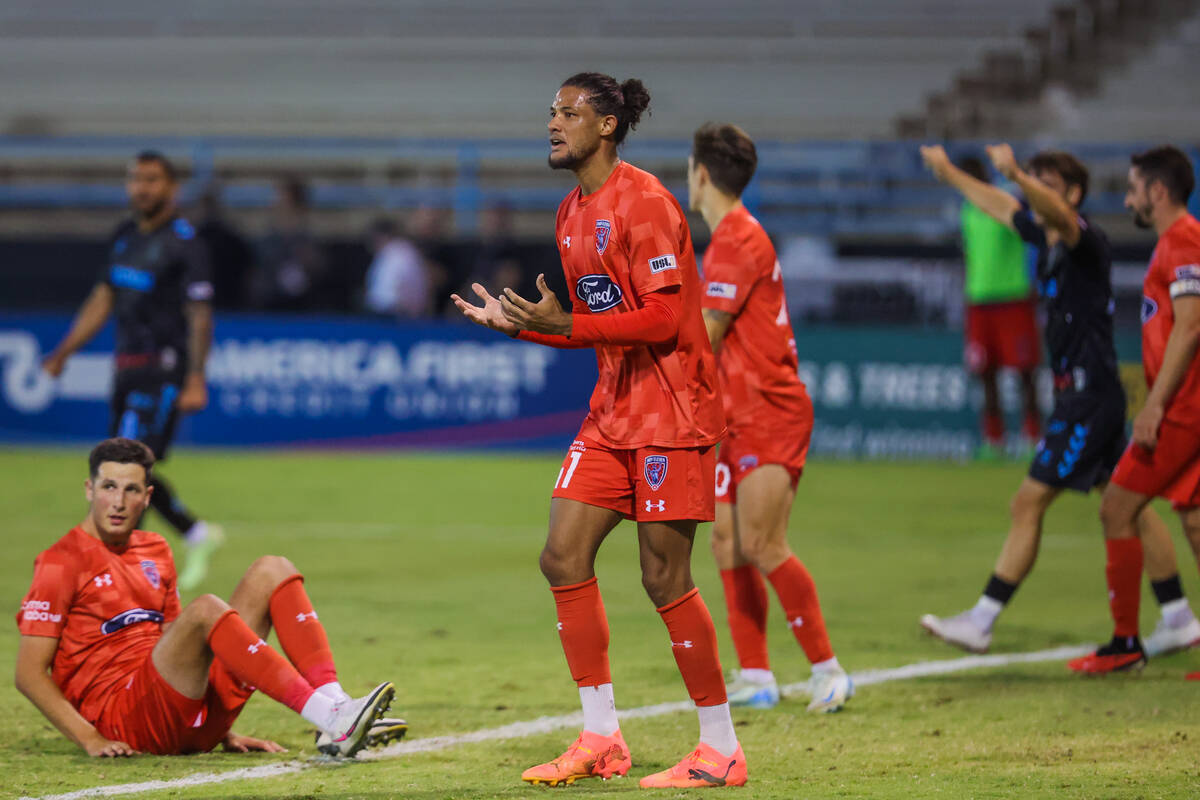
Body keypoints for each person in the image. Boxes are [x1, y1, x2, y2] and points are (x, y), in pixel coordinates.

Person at [452, 72, 746, 789]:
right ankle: (602, 737)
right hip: (614, 411)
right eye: (550, 112)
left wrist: (566, 324)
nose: (553, 123)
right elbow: (598, 331)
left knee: (662, 574)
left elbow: (664, 318)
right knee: (562, 555)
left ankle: (721, 747)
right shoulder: (570, 214)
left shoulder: (645, 202)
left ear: (607, 125)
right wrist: (525, 327)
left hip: (673, 409)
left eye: (569, 113)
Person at [919, 144, 1200, 657]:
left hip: (1087, 401)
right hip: (1090, 396)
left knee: (1028, 502)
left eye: (1046, 184)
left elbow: (1053, 212)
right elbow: (1003, 207)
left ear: (1070, 194)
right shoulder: (1047, 241)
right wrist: (951, 173)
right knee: (1129, 506)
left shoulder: (1082, 239)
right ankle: (1178, 615)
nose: (1030, 193)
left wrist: (1018, 175)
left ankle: (982, 619)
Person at [15, 438, 399, 757]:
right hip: (124, 719)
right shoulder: (59, 564)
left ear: (148, 497)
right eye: (108, 487)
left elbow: (175, 646)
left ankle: (336, 707)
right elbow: (29, 675)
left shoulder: (155, 548)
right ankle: (329, 717)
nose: (118, 501)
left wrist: (220, 732)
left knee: (273, 568)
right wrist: (89, 738)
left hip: (176, 705)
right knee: (204, 610)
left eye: (131, 489)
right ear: (89, 489)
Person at [687, 122, 851, 713]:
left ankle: (827, 669)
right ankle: (756, 675)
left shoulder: (735, 238)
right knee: (728, 544)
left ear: (701, 174)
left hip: (769, 410)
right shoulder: (731, 237)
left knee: (762, 542)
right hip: (733, 411)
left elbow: (708, 333)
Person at [42, 151, 225, 591]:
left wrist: (196, 378)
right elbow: (102, 299)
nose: (142, 187)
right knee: (126, 466)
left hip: (163, 367)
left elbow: (200, 315)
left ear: (171, 188)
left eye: (152, 179)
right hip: (126, 365)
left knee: (122, 467)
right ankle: (195, 534)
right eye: (135, 179)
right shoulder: (124, 236)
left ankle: (112, 570)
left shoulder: (185, 243)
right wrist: (65, 350)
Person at [1070, 146, 1200, 675]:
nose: (1128, 200)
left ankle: (1124, 643)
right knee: (1193, 520)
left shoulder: (1183, 239)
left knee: (1117, 509)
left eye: (1133, 189)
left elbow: (1190, 325)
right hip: (1187, 404)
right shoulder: (1176, 242)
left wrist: (1155, 406)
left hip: (1184, 409)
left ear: (1158, 192)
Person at [957, 155, 1041, 457]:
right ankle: (994, 441)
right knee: (985, 374)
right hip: (979, 301)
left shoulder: (1007, 203)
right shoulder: (966, 210)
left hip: (1013, 298)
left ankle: (1034, 438)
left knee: (1025, 374)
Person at [362, 217, 431, 318]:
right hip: (411, 315)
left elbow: (384, 298)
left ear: (381, 236)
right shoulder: (407, 251)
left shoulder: (393, 254)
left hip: (394, 318)